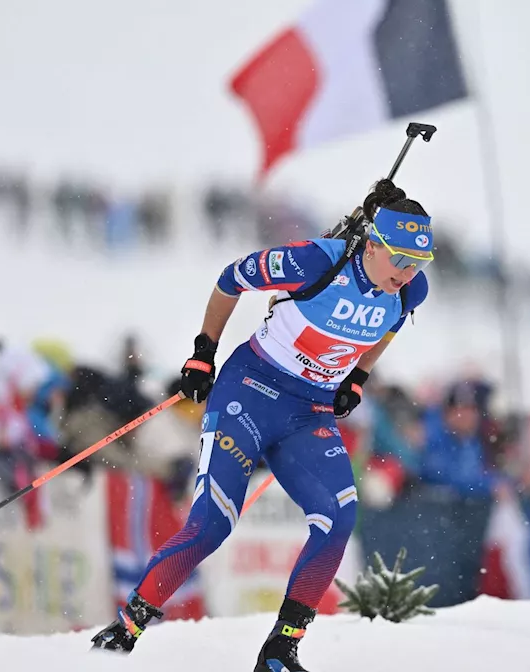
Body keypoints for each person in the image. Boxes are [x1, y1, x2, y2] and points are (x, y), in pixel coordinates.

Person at [90, 179, 433, 672]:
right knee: (212, 523)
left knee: (338, 519)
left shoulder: (410, 290)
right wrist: (203, 354)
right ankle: (128, 627)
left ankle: (280, 649)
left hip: (308, 412)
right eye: (399, 258)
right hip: (249, 393)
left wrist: (356, 377)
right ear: (373, 244)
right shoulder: (318, 261)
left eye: (417, 263)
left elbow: (390, 325)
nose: (407, 272)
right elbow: (232, 278)